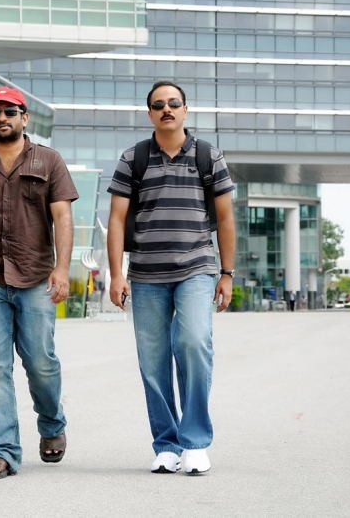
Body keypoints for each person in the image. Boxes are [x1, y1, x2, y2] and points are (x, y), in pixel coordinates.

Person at [106, 81, 236, 476]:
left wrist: (227, 273)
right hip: (146, 273)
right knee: (153, 361)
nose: (167, 109)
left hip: (196, 268)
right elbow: (116, 219)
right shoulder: (133, 158)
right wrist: (116, 274)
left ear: (185, 110)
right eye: (159, 105)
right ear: (149, 113)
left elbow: (226, 218)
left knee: (193, 343)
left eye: (174, 103)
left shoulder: (208, 156)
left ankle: (194, 442)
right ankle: (166, 444)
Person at [0, 86, 78, 479]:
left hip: (36, 275)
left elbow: (63, 217)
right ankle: (3, 451)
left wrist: (61, 269)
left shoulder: (49, 161)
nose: (1, 118)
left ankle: (52, 423)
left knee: (41, 362)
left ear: (24, 117)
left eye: (9, 111)